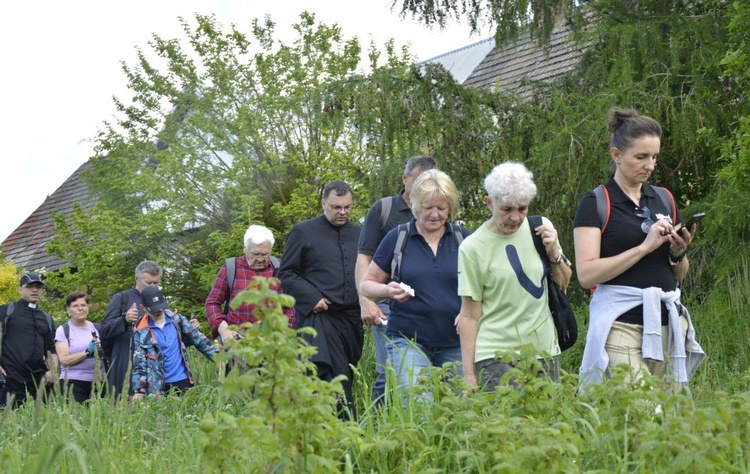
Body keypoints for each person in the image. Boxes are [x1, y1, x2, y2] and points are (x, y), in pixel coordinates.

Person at [575, 108, 705, 388]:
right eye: (641, 157)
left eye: (655, 157)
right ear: (616, 155)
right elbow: (586, 275)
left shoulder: (663, 198)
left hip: (668, 325)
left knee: (668, 417)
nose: (650, 165)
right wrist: (643, 248)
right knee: (641, 412)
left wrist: (678, 251)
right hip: (621, 326)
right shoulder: (597, 202)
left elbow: (679, 274)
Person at [457, 163, 572, 393]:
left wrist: (554, 255)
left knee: (547, 426)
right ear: (489, 203)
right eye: (507, 209)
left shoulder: (540, 228)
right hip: (495, 355)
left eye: (522, 208)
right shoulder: (472, 248)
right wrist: (468, 374)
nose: (515, 217)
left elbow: (563, 283)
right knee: (505, 427)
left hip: (545, 351)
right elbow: (469, 316)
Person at [359, 170, 470, 405]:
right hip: (408, 339)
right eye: (428, 207)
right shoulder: (397, 238)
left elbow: (485, 286)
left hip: (456, 341)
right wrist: (388, 290)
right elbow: (367, 286)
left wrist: (470, 310)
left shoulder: (463, 240)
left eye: (441, 208)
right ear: (416, 205)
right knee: (419, 405)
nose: (435, 214)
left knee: (458, 410)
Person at [356, 155, 437, 405]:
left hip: (426, 305)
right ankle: (379, 425)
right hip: (386, 303)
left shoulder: (436, 212)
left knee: (424, 370)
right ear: (405, 178)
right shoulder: (384, 210)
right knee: (389, 368)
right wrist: (365, 302)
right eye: (420, 181)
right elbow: (363, 259)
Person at [278, 180, 362, 419]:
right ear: (323, 203)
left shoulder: (360, 234)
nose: (342, 212)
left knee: (346, 372)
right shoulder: (303, 231)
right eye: (336, 207)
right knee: (330, 375)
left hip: (352, 320)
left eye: (347, 207)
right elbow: (286, 273)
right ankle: (346, 426)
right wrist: (312, 297)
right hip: (321, 318)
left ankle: (328, 425)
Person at [205, 224, 294, 344]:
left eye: (265, 254)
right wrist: (223, 329)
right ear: (245, 250)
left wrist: (287, 326)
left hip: (274, 342)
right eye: (256, 254)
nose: (260, 259)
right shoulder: (231, 268)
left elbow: (292, 303)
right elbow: (212, 303)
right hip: (239, 342)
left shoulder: (280, 268)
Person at [131, 285, 216, 398]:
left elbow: (200, 340)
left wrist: (219, 358)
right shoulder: (141, 331)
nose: (158, 311)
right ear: (143, 308)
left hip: (183, 380)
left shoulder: (177, 319)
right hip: (158, 387)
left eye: (160, 307)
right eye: (153, 309)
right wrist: (139, 390)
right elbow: (139, 364)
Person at [100, 260, 163, 398]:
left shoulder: (159, 301)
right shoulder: (122, 298)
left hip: (155, 364)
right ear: (136, 278)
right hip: (126, 360)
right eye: (148, 283)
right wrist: (124, 320)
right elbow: (104, 331)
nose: (152, 287)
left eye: (156, 283)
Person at [0, 273, 58, 407]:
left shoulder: (46, 318)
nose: (35, 290)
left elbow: (51, 348)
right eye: (30, 286)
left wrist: (53, 371)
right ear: (20, 289)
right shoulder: (6, 311)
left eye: (38, 287)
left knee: (43, 421)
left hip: (39, 379)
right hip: (11, 378)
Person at [55, 291, 106, 403]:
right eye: (75, 306)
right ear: (68, 309)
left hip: (99, 382)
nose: (80, 308)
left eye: (83, 305)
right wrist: (87, 352)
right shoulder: (63, 330)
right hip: (73, 382)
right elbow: (64, 360)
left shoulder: (97, 328)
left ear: (88, 308)